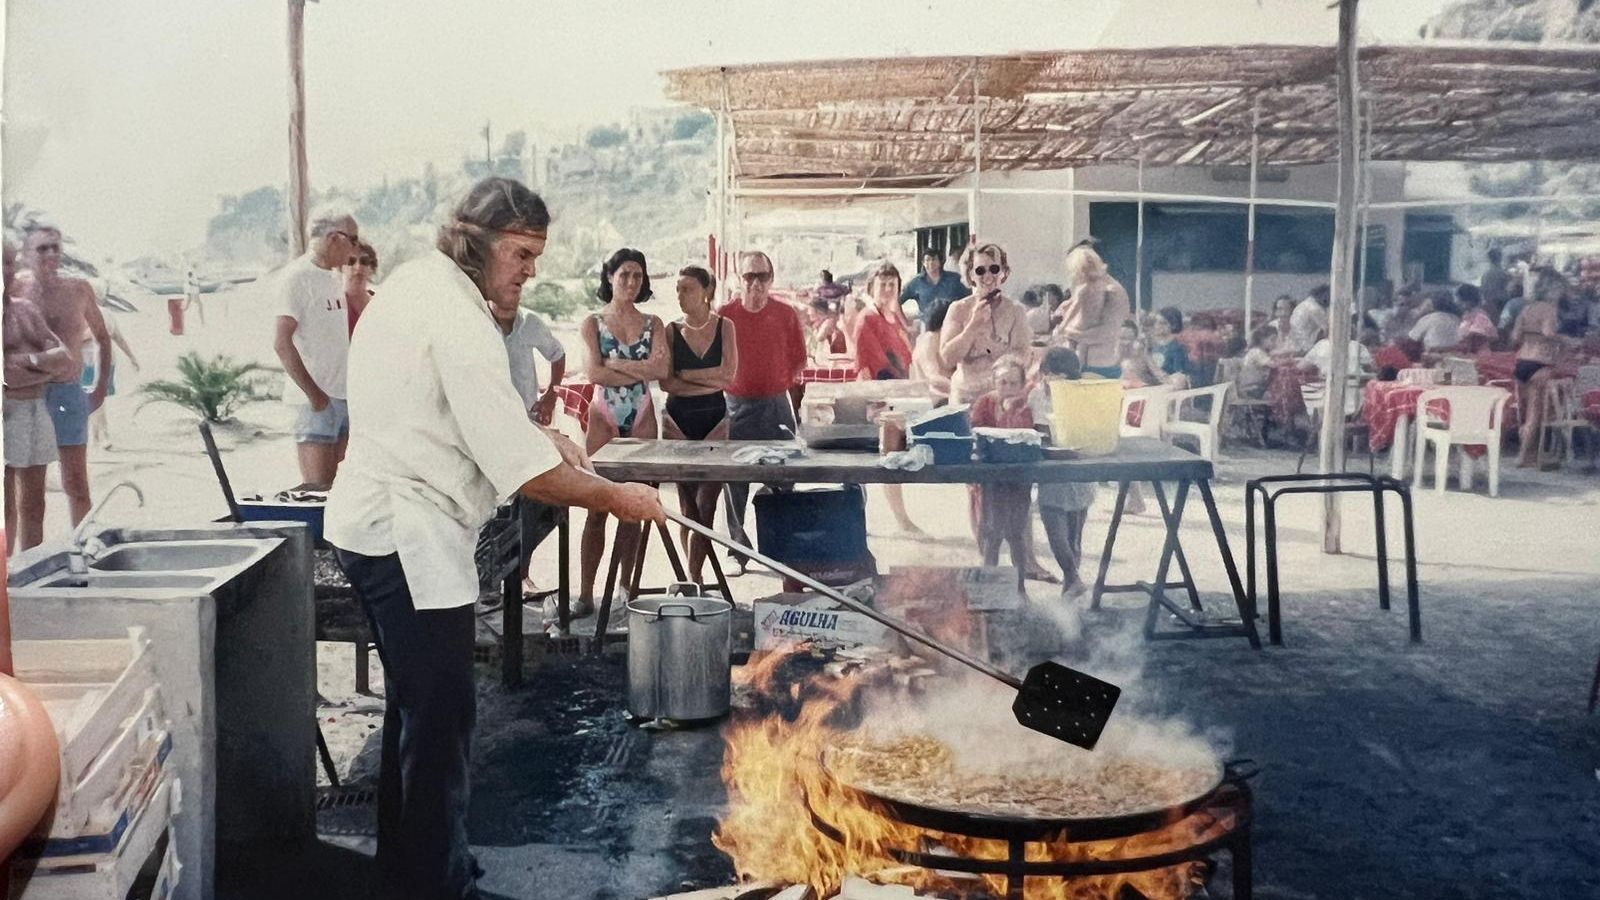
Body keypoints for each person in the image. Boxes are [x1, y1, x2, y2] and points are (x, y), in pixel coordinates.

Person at [325, 178, 664, 900]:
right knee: (442, 715)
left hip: (385, 518)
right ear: (477, 242)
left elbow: (464, 416)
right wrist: (619, 498)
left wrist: (541, 434)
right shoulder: (458, 316)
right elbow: (527, 476)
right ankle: (437, 884)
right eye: (520, 252)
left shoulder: (423, 284)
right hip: (401, 531)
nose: (529, 270)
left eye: (536, 256)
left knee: (418, 710)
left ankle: (410, 869)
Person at [577, 248, 670, 614]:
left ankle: (626, 589)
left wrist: (619, 363)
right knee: (596, 505)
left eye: (638, 275)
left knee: (635, 505)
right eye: (624, 275)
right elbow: (595, 374)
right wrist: (640, 366)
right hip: (604, 412)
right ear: (610, 277)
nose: (631, 282)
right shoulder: (592, 322)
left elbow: (662, 371)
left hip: (642, 409)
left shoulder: (654, 323)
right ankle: (586, 593)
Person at [720, 250, 809, 556]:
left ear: (771, 279)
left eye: (762, 276)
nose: (755, 283)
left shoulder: (785, 314)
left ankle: (780, 546)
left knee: (784, 475)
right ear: (738, 279)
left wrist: (780, 386)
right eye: (749, 276)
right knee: (734, 480)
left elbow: (799, 360)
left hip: (776, 404)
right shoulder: (724, 315)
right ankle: (736, 549)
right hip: (736, 405)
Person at [20, 226, 110, 525]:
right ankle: (30, 562)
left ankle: (81, 554)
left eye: (55, 247)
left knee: (77, 484)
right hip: (29, 398)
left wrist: (98, 389)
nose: (50, 254)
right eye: (42, 248)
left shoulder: (78, 289)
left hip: (69, 394)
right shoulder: (17, 291)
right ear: (26, 254)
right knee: (32, 495)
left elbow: (102, 337)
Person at [660, 266, 739, 584]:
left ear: (706, 292)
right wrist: (709, 378)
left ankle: (693, 575)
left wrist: (688, 375)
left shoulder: (725, 327)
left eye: (687, 289)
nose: (680, 295)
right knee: (687, 503)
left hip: (715, 419)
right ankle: (691, 574)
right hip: (678, 419)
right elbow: (667, 384)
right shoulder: (671, 329)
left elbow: (729, 376)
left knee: (708, 501)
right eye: (678, 289)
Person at [274, 208, 362, 486]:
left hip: (344, 397)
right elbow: (281, 342)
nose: (355, 248)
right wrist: (315, 396)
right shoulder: (297, 278)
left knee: (343, 490)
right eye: (354, 240)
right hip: (315, 403)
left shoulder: (336, 277)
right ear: (335, 238)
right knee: (318, 490)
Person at [4, 239, 77, 552]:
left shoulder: (25, 310)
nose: (4, 270)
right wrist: (38, 369)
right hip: (6, 412)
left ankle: (28, 568)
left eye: (8, 262)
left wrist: (32, 362)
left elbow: (64, 357)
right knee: (5, 506)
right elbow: (6, 375)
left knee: (34, 503)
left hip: (35, 407)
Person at [849, 261, 923, 535]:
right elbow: (864, 366)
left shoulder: (896, 317)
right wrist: (873, 404)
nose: (889, 289)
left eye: (893, 284)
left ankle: (899, 519)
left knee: (892, 460)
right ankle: (866, 522)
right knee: (866, 466)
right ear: (872, 287)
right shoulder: (868, 318)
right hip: (876, 400)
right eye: (883, 284)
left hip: (898, 397)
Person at [1029, 347, 1096, 599]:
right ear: (1043, 374)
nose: (1053, 380)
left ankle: (1071, 585)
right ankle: (1073, 579)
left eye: (1062, 376)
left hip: (1076, 467)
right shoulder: (1036, 396)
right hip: (1052, 469)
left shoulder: (1080, 396)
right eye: (1050, 374)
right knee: (1053, 524)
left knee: (1074, 533)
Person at [938, 242, 1032, 404]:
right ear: (971, 275)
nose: (988, 276)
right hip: (965, 396)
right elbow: (947, 358)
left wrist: (993, 349)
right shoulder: (958, 309)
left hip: (1001, 398)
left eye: (994, 269)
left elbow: (1023, 355)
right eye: (980, 271)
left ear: (1003, 272)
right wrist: (972, 326)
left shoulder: (1016, 310)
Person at [968, 359, 1035, 574]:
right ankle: (988, 584)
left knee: (1017, 533)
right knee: (991, 533)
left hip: (1017, 476)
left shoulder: (1025, 406)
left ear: (1022, 384)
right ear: (994, 382)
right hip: (990, 478)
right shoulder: (984, 403)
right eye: (1003, 382)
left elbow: (1018, 435)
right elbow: (975, 432)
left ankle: (1020, 588)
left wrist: (1009, 411)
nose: (1007, 389)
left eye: (1013, 383)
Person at [1510, 269, 1566, 468]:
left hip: (1522, 360)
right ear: (1552, 289)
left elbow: (1515, 337)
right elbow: (1548, 332)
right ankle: (1523, 456)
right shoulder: (1549, 309)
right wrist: (1565, 340)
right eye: (1560, 288)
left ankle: (1528, 453)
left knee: (1524, 413)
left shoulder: (1527, 309)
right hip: (1541, 362)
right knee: (1535, 413)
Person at [1054, 244, 1129, 379]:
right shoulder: (1087, 287)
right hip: (1082, 364)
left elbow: (1109, 332)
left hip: (1100, 367)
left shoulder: (1112, 291)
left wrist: (1069, 332)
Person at [84, 313, 141, 450]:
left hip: (90, 361)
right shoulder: (105, 314)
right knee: (96, 399)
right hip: (102, 360)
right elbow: (118, 338)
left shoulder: (86, 312)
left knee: (95, 399)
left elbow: (114, 337)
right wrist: (131, 357)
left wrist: (131, 357)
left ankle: (102, 436)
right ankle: (97, 436)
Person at [900, 247, 969, 325]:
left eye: (934, 259)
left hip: (951, 323)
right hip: (926, 325)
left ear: (940, 262)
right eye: (927, 260)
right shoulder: (916, 282)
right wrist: (902, 320)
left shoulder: (955, 279)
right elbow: (897, 301)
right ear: (923, 262)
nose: (931, 263)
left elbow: (968, 299)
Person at [909, 298, 954, 405]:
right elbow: (933, 377)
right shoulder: (929, 340)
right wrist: (959, 388)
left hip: (944, 398)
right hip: (932, 402)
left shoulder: (942, 340)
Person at [1147, 306, 1193, 387]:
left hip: (1170, 388)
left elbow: (1178, 375)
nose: (1157, 326)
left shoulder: (1178, 346)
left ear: (1174, 325)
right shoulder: (1153, 345)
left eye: (1162, 323)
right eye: (1156, 322)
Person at [1298, 333, 1374, 380]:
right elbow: (1372, 368)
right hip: (1356, 387)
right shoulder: (1358, 346)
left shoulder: (1321, 345)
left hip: (1327, 388)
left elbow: (1301, 367)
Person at [344, 240, 379, 335]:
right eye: (351, 261)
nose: (358, 267)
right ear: (341, 267)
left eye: (364, 261)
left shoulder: (379, 302)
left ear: (371, 268)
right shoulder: (336, 305)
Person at [1287, 284, 1331, 354]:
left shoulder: (1305, 304)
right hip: (1305, 345)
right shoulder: (1316, 308)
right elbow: (1327, 330)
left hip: (1295, 341)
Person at [1455, 283, 1497, 353]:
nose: (1456, 302)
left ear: (1467, 300)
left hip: (1478, 356)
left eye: (1458, 299)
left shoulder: (1480, 316)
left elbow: (1474, 338)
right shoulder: (1466, 315)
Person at [1237, 326, 1276, 400]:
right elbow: (1273, 365)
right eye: (1272, 340)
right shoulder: (1257, 352)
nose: (1274, 343)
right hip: (1251, 388)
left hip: (1254, 386)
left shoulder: (1260, 351)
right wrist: (1287, 361)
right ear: (1262, 339)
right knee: (1278, 396)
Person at [1479, 247, 1510, 317]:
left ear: (1489, 259)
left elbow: (1483, 291)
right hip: (1501, 305)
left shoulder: (1485, 275)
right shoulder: (1504, 274)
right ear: (1500, 258)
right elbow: (1508, 290)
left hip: (1489, 306)